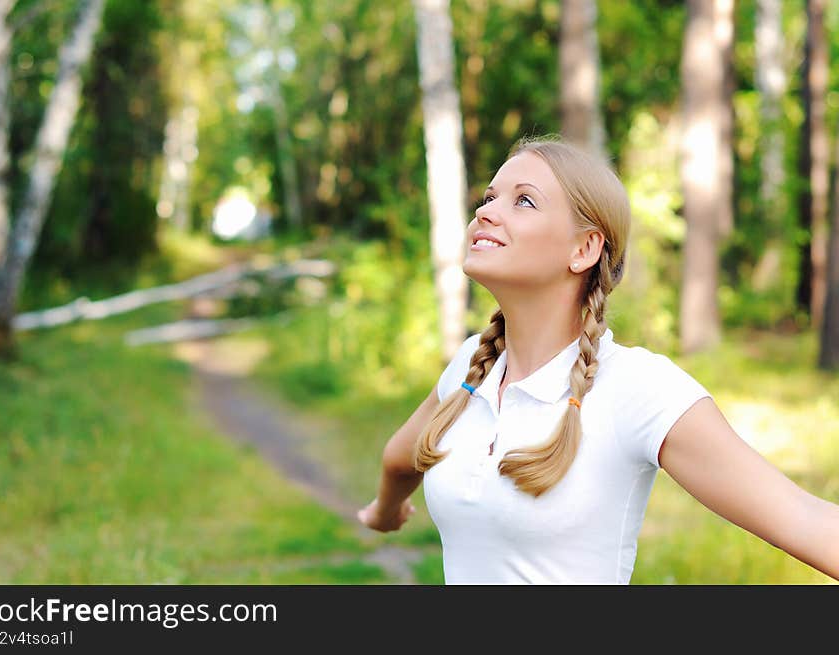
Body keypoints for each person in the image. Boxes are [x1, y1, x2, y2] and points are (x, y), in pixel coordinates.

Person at [356, 135, 839, 584]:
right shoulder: (472, 366)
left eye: (523, 200)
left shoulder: (637, 388)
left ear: (584, 249)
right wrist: (385, 510)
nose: (486, 212)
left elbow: (808, 520)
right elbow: (401, 458)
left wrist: (386, 510)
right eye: (488, 198)